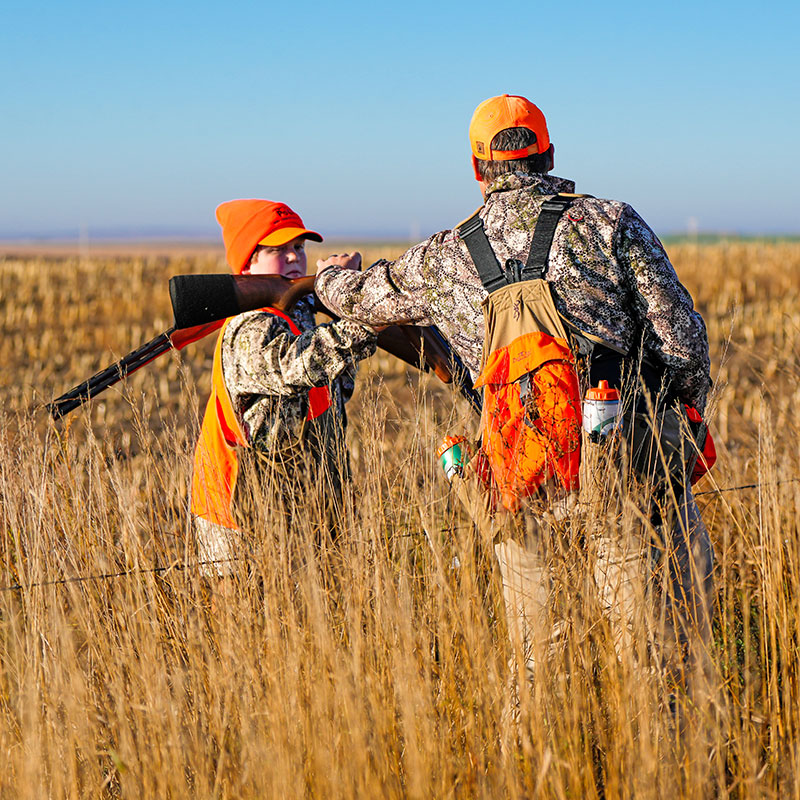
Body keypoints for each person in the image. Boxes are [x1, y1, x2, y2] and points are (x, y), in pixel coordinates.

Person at [313, 95, 714, 695]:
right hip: (624, 473)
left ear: (478, 170)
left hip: (516, 481)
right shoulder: (610, 222)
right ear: (548, 155)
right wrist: (676, 413)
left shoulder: (447, 255)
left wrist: (329, 278)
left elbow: (361, 299)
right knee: (661, 662)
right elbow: (683, 343)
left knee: (532, 668)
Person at [191, 199, 377, 581]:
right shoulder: (249, 328)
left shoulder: (299, 311)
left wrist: (340, 306)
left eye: (300, 248)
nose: (294, 258)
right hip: (241, 522)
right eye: (277, 250)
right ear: (246, 266)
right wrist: (360, 311)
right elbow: (299, 365)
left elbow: (339, 386)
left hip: (299, 507)